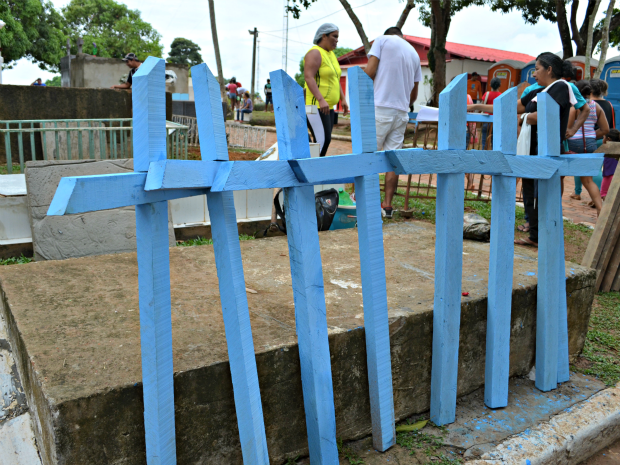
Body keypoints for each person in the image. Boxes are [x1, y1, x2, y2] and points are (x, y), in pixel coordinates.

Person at [363, 26, 421, 218]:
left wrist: (360, 90)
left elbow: (369, 72)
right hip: (401, 113)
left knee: (368, 155)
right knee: (392, 159)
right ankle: (387, 205)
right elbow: (414, 94)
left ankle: (362, 199)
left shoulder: (382, 40)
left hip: (380, 109)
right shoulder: (414, 53)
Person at [304, 23, 349, 157]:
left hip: (327, 106)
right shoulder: (315, 52)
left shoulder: (331, 55)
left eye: (338, 37)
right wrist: (320, 99)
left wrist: (343, 99)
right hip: (315, 105)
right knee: (323, 140)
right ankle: (311, 168)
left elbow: (335, 79)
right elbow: (308, 77)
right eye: (334, 36)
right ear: (324, 36)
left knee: (324, 140)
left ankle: (310, 165)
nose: (337, 40)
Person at [566, 80, 609, 214]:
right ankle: (600, 209)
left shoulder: (574, 107)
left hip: (574, 144)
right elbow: (605, 129)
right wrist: (590, 136)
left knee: (559, 175)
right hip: (590, 144)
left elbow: (567, 130)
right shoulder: (596, 106)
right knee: (588, 180)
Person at [479, 77, 502, 149]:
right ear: (499, 85)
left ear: (490, 85)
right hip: (496, 121)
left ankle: (483, 153)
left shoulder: (487, 94)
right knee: (494, 141)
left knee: (484, 141)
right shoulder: (501, 95)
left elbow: (482, 105)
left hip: (486, 120)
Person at [600, 129, 620, 199]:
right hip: (617, 175)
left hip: (609, 176)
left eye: (603, 138)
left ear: (608, 139)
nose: (603, 140)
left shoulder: (607, 150)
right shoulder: (618, 149)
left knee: (604, 194)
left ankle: (605, 209)